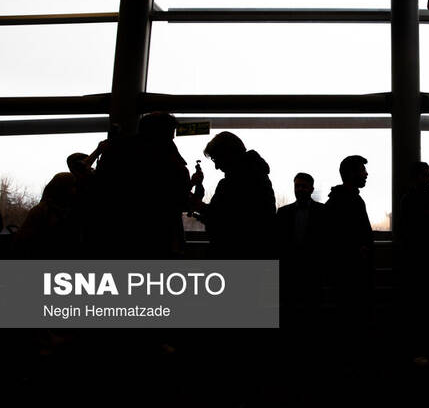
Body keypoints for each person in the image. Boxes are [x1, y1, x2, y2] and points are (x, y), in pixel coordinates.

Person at [93, 112, 190, 259]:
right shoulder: (170, 161)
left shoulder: (116, 151)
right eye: (171, 133)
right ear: (165, 133)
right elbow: (179, 199)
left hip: (117, 235)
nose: (173, 138)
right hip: (158, 235)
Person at [394, 162, 429, 365]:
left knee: (420, 307)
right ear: (417, 178)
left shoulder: (408, 200)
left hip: (417, 263)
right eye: (426, 175)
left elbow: (407, 233)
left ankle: (421, 350)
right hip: (427, 262)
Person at [191, 131, 276, 259]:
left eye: (216, 158)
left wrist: (198, 205)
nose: (216, 166)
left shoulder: (232, 183)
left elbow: (224, 222)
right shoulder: (258, 176)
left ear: (227, 154)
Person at [324, 155, 375, 330]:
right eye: (362, 170)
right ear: (352, 173)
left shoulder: (336, 201)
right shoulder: (352, 200)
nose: (366, 174)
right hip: (353, 274)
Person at [275, 172, 326, 327]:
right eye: (297, 186)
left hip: (311, 269)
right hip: (291, 270)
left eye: (303, 186)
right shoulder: (321, 211)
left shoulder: (284, 212)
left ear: (311, 189)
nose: (300, 189)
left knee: (306, 310)